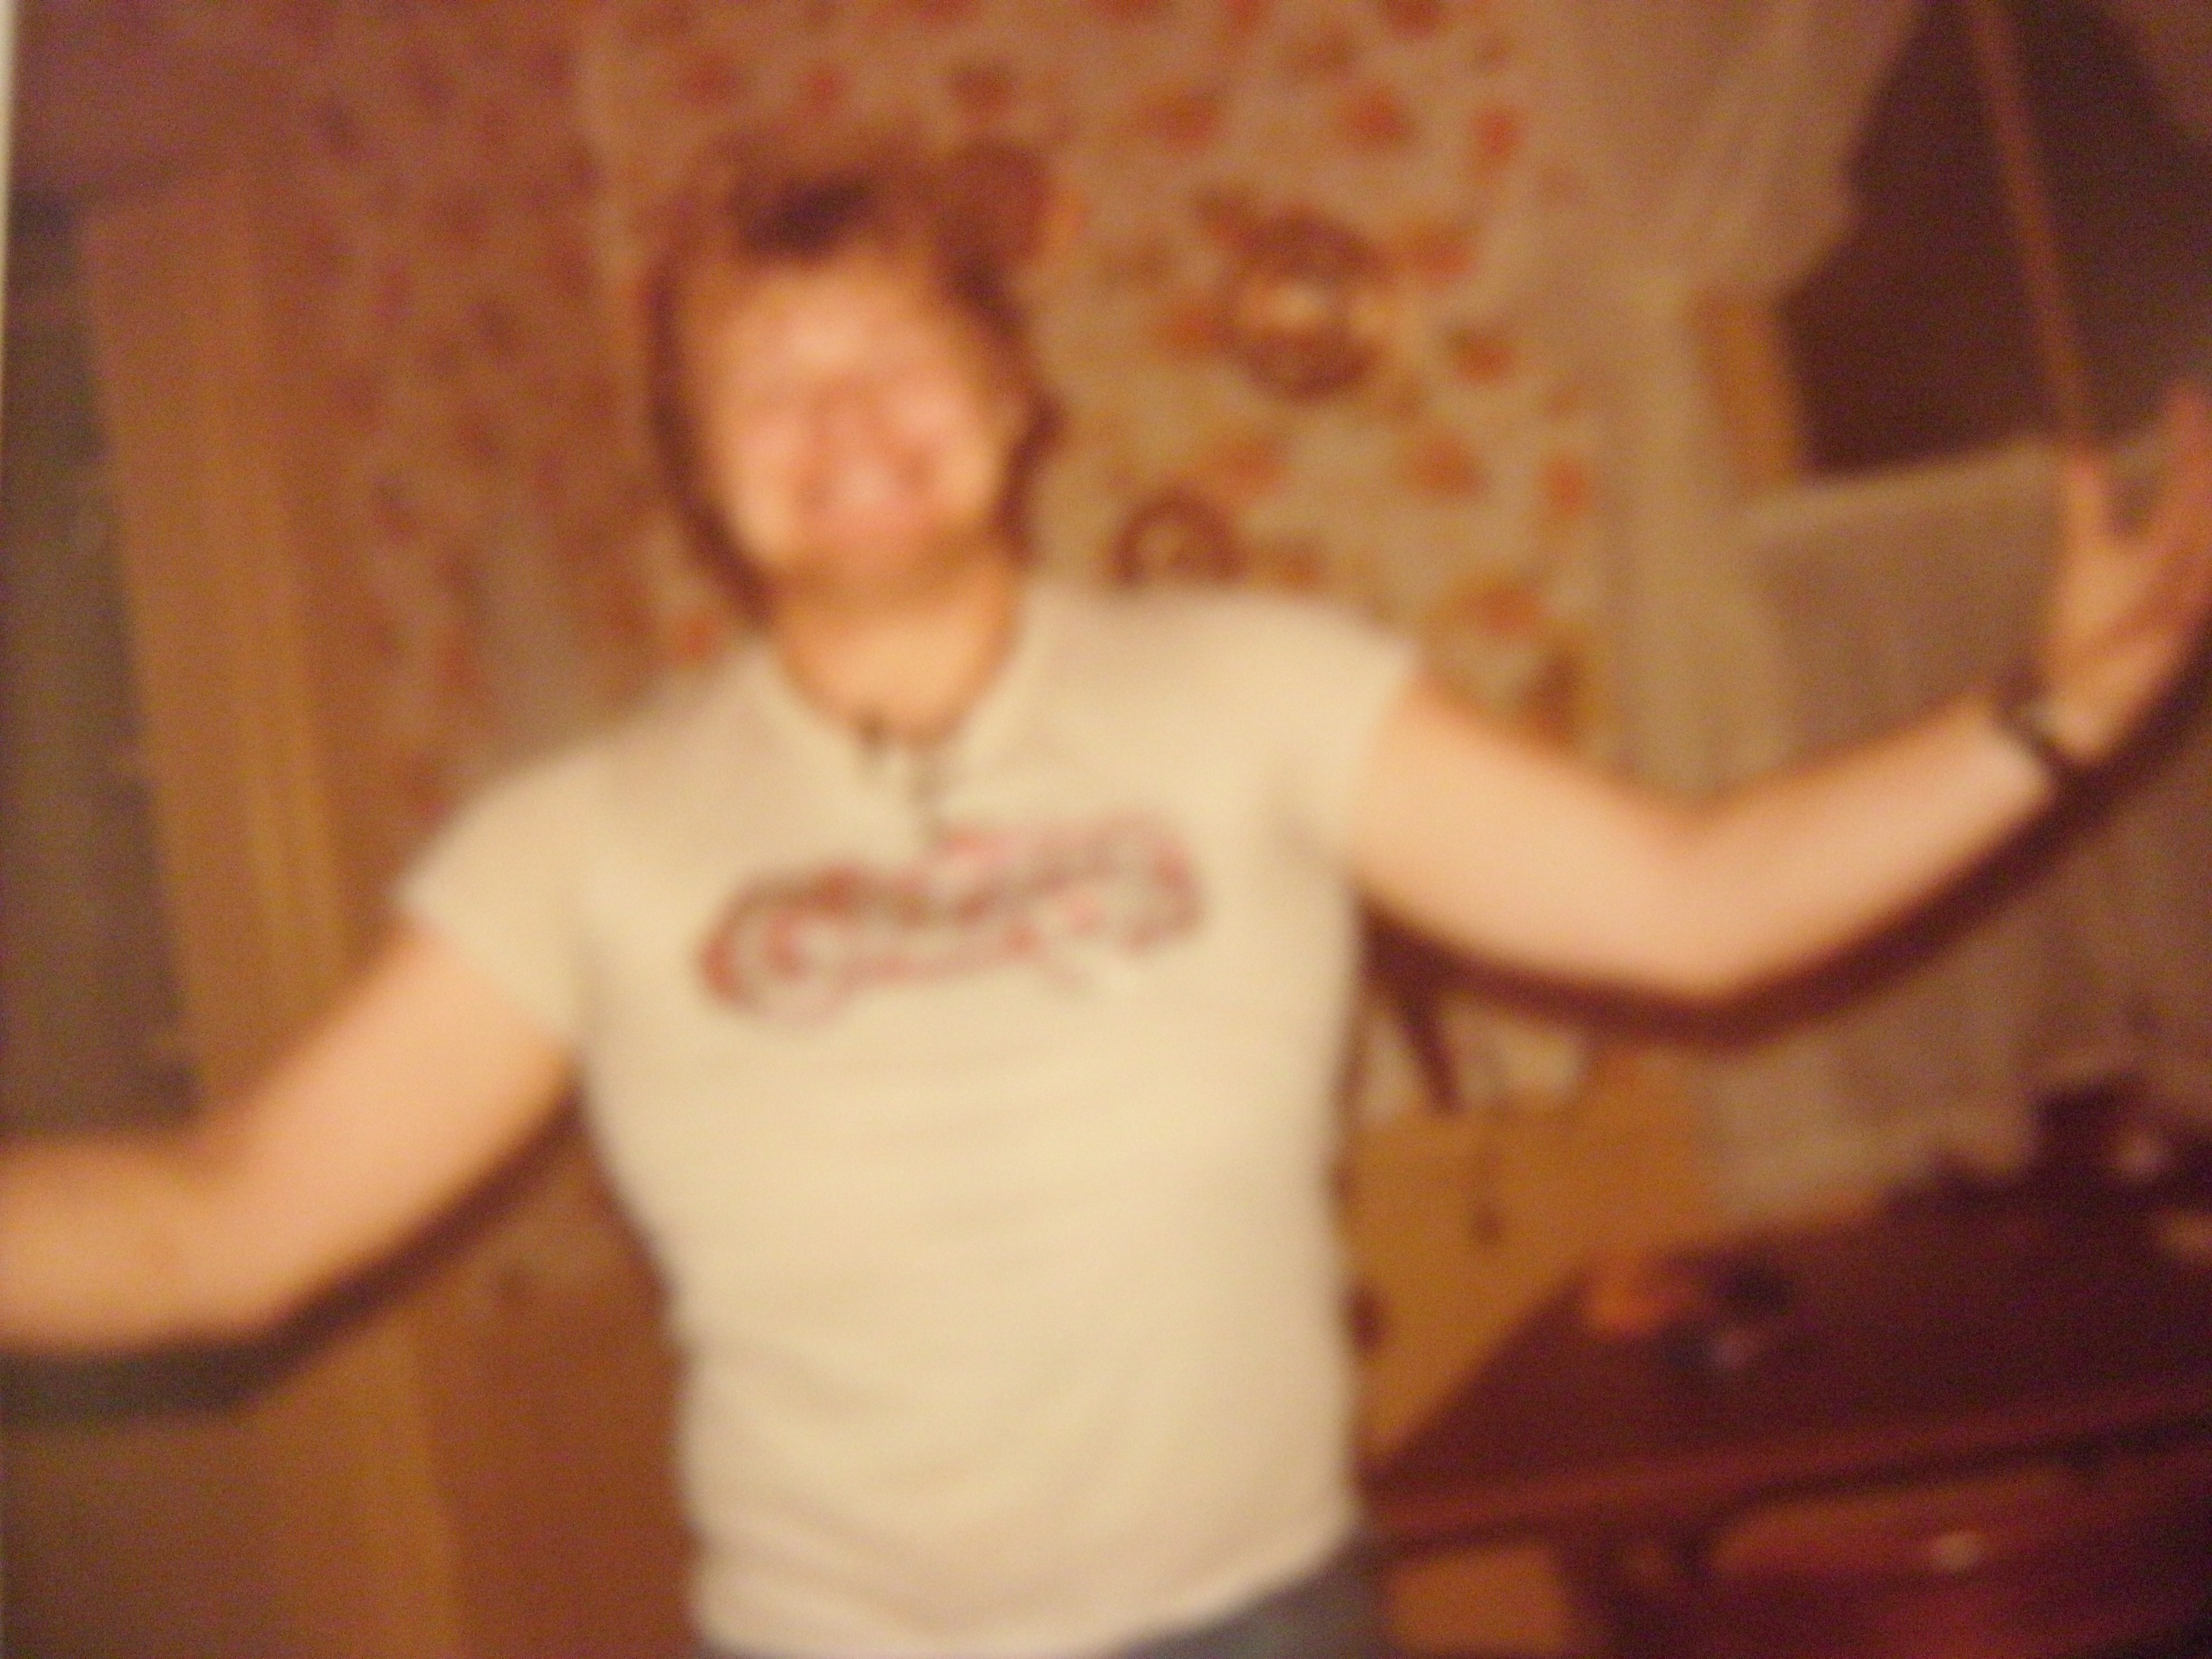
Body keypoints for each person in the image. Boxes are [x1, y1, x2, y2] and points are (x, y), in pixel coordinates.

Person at [3, 140, 2209, 1659]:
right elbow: (223, 1224)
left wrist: (2056, 713)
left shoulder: (1267, 692)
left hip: (1263, 1626)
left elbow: (1699, 903)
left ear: (1007, 397)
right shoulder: (575, 843)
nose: (843, 417)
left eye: (897, 352)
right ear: (697, 469)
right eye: (766, 380)